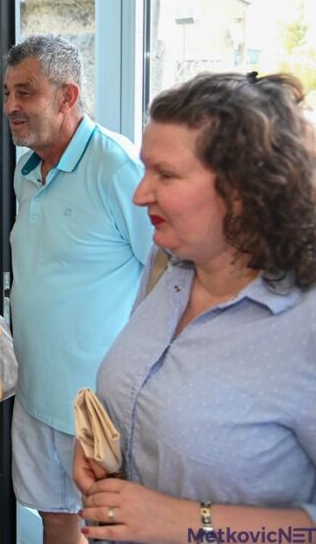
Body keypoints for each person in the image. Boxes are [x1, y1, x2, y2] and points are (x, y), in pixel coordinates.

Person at [74, 72, 316, 542]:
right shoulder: (166, 263)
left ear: (244, 190)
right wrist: (104, 451)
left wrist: (189, 522)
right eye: (145, 170)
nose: (139, 194)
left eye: (165, 175)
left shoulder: (303, 325)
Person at [4, 35, 153, 543]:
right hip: (35, 389)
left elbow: (165, 274)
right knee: (55, 518)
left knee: (106, 528)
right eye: (8, 93)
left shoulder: (117, 166)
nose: (11, 106)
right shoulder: (26, 169)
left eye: (25, 92)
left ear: (67, 96)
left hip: (97, 403)